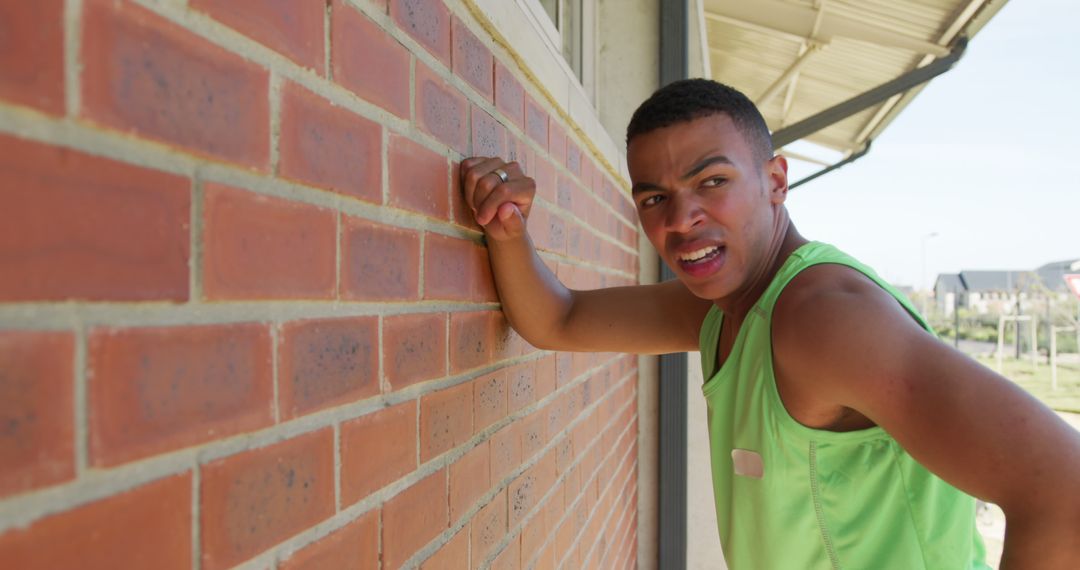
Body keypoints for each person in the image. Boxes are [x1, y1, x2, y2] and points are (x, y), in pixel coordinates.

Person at [460, 78, 1080, 568]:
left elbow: (1063, 491)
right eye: (654, 198)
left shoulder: (822, 321)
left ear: (775, 181)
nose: (681, 219)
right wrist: (507, 225)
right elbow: (561, 320)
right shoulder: (721, 306)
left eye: (713, 181)